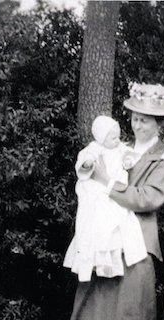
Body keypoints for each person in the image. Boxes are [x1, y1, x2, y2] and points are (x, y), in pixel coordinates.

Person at [58, 82, 164, 320]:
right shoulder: (115, 148)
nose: (138, 125)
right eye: (135, 118)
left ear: (160, 124)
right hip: (105, 244)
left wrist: (107, 182)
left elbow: (147, 199)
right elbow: (88, 177)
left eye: (146, 120)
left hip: (138, 248)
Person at [63, 115, 147, 281]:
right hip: (97, 188)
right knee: (97, 222)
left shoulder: (119, 148)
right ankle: (97, 260)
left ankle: (112, 257)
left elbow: (129, 156)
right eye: (113, 137)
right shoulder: (94, 148)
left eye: (118, 136)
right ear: (101, 138)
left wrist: (128, 160)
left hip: (113, 187)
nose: (117, 140)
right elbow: (85, 161)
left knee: (119, 219)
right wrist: (87, 163)